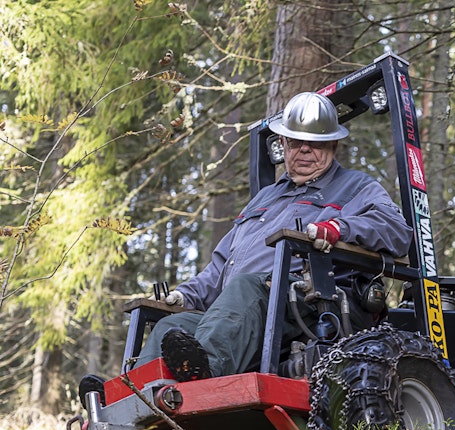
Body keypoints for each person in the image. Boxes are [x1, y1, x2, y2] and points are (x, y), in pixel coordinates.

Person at [136, 91, 410, 381]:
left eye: (315, 143)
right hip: (243, 312)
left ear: (333, 144)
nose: (304, 150)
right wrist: (185, 294)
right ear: (282, 143)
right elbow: (221, 266)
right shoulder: (264, 198)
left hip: (308, 301)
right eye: (295, 142)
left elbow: (396, 231)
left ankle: (203, 380)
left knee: (247, 288)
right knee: (173, 326)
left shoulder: (355, 186)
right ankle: (134, 399)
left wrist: (340, 229)